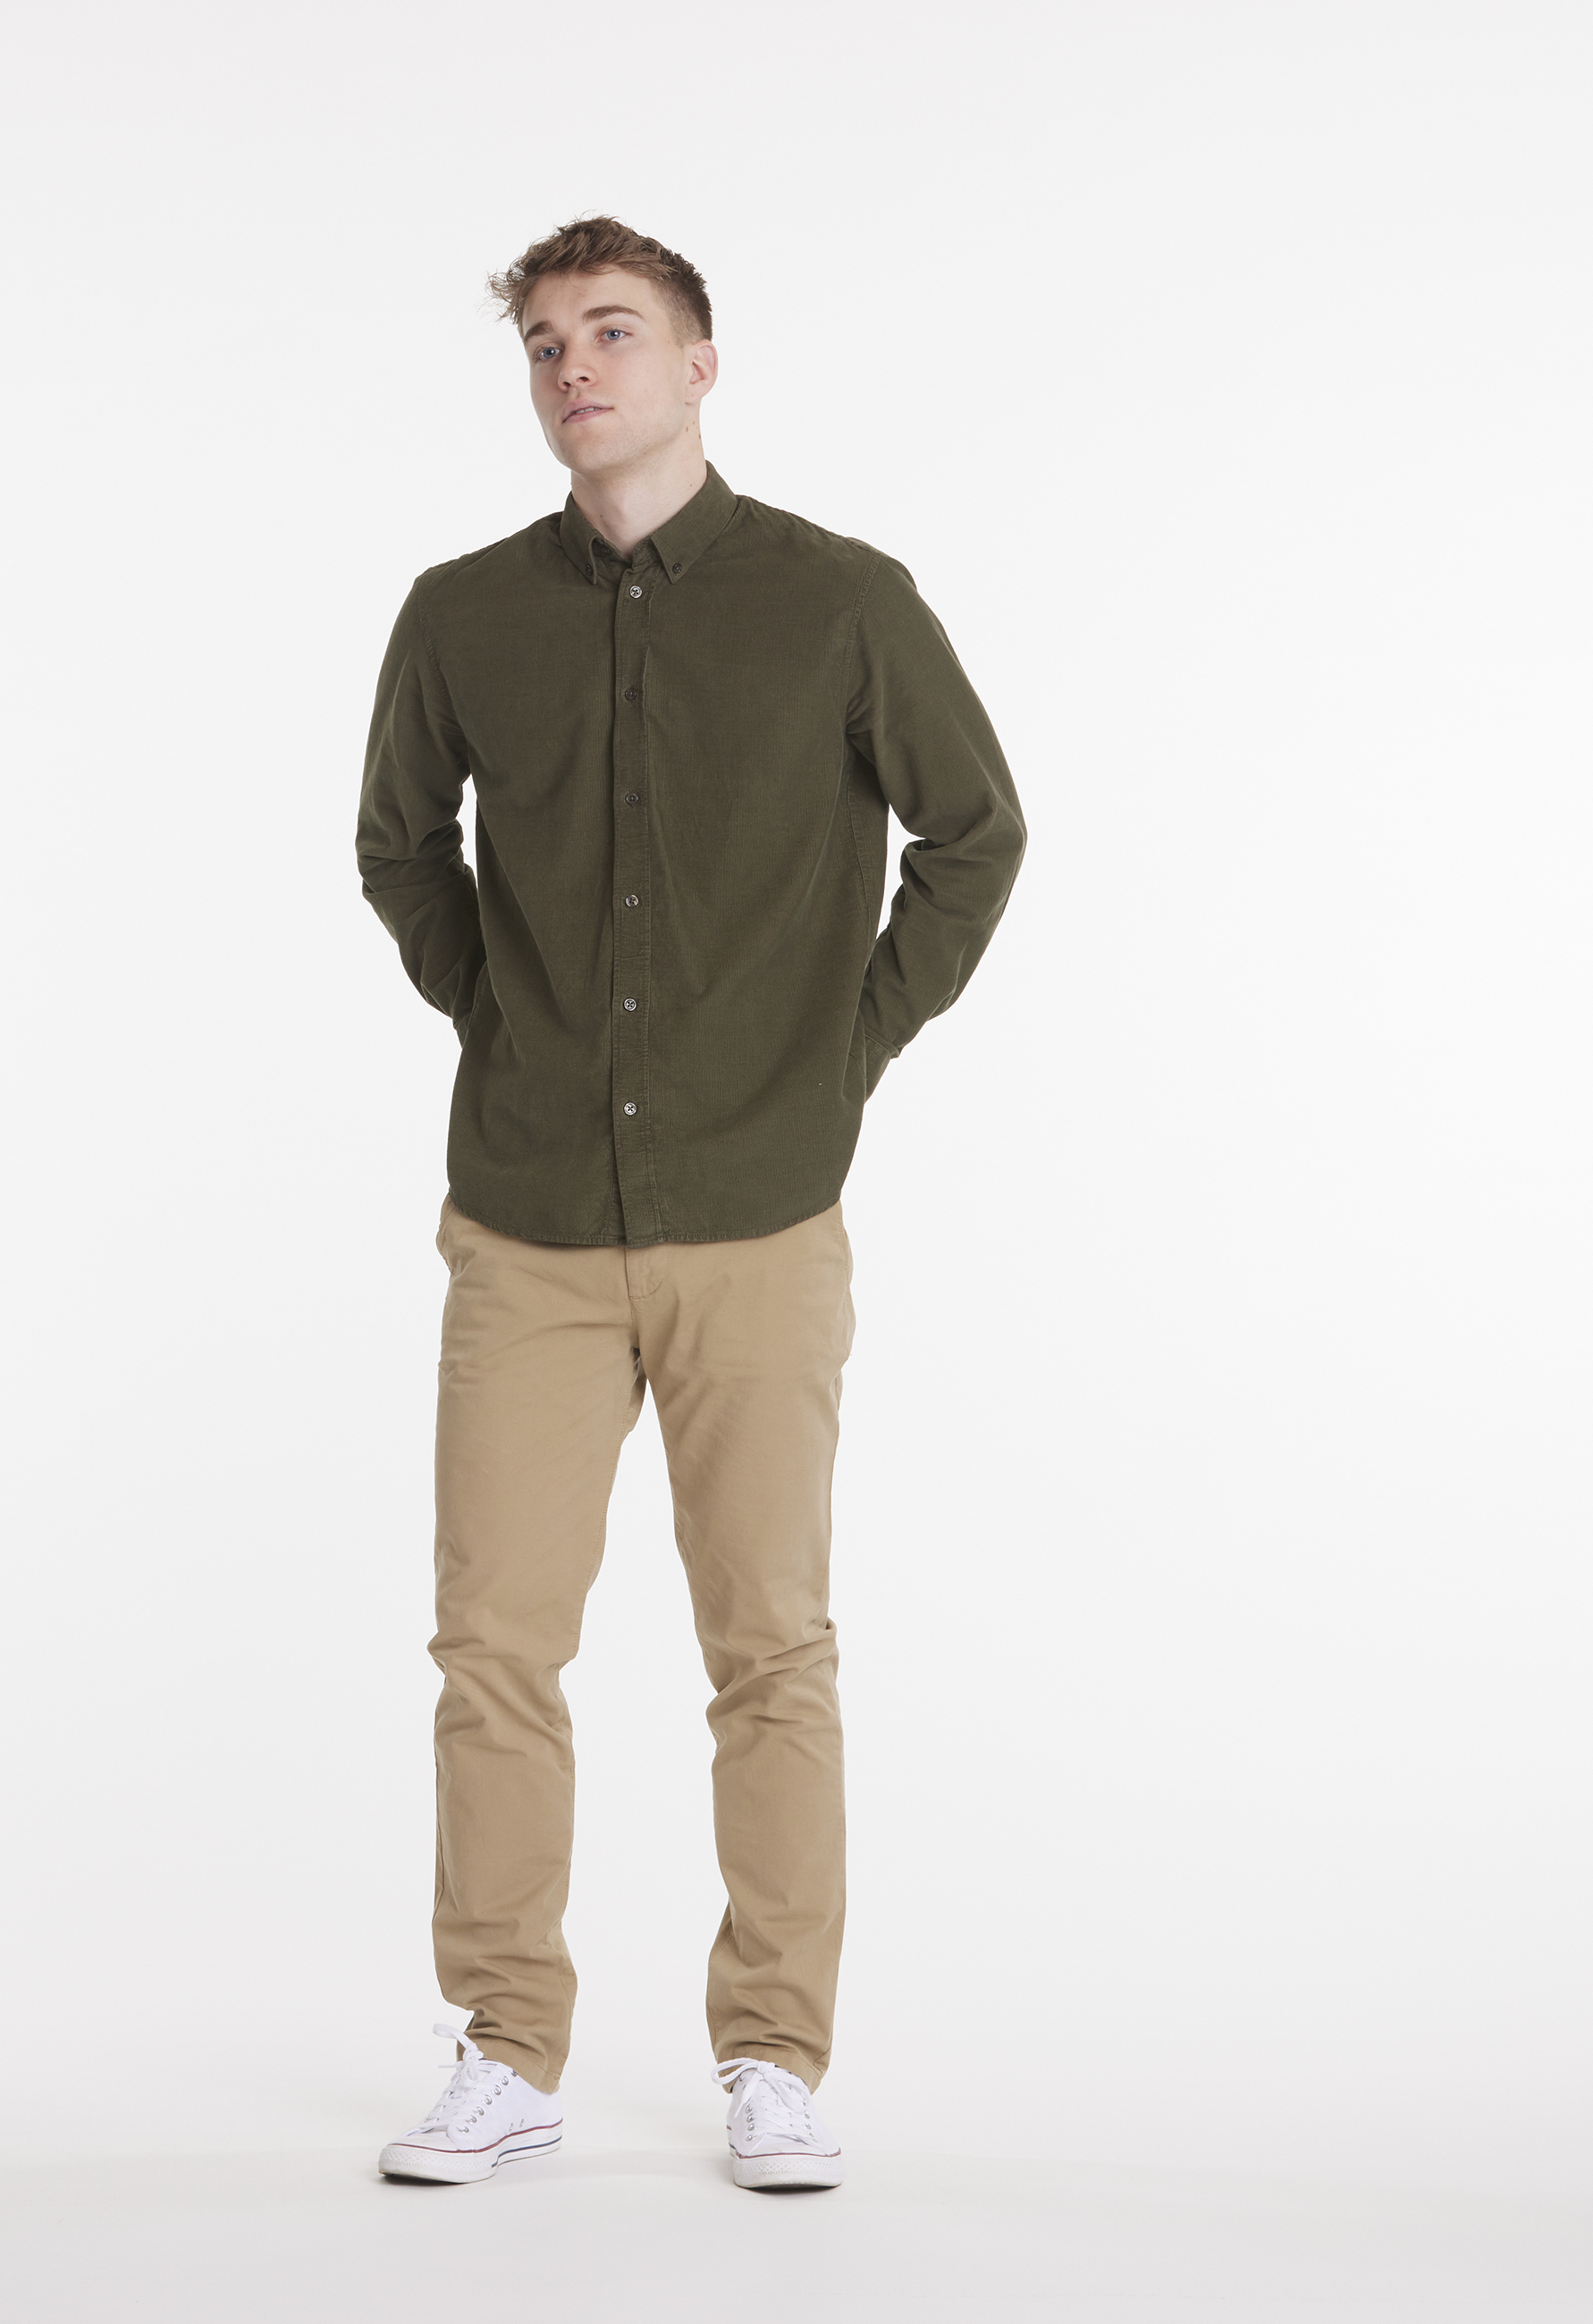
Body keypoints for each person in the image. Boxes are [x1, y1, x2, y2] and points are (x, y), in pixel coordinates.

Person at [355, 216, 1026, 2192]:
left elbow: (976, 836)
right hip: (528, 1222)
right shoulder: (461, 614)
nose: (576, 368)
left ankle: (774, 2059)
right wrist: (500, 1011)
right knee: (493, 1649)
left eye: (615, 332)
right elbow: (398, 846)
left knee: (771, 1648)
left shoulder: (842, 602)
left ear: (700, 362)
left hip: (760, 1219)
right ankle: (505, 2050)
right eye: (545, 344)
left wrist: (841, 1051)